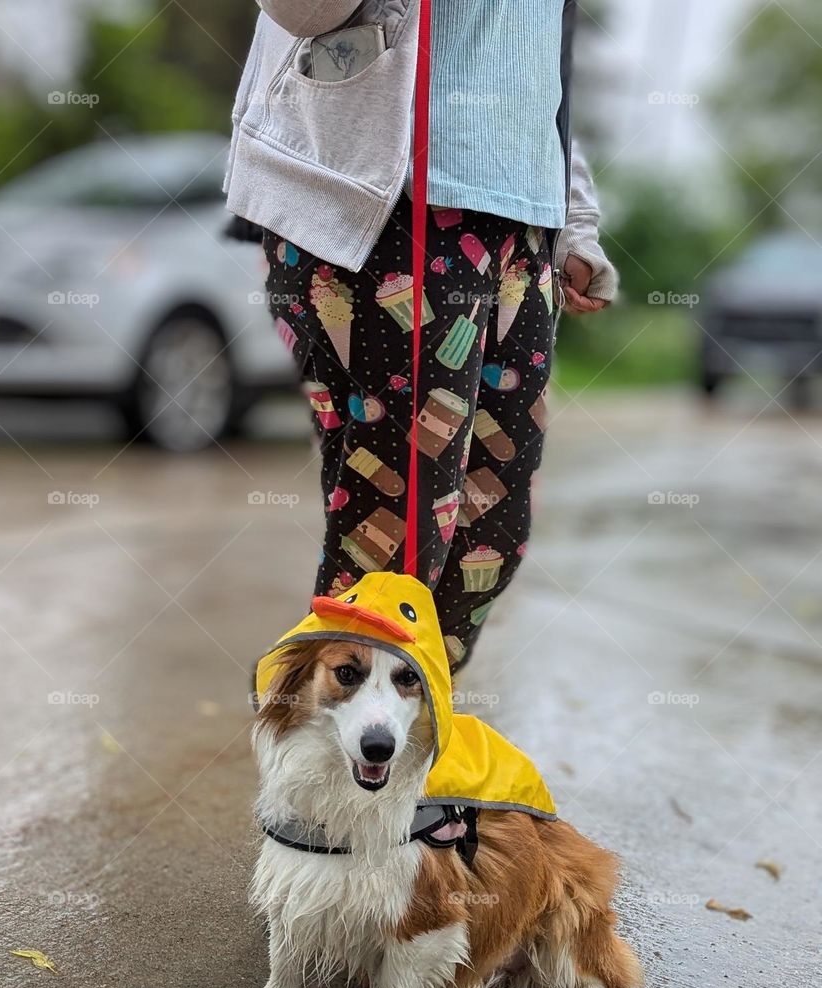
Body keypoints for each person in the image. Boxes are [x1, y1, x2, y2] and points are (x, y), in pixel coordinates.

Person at [226, 0, 617, 670]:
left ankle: (407, 727)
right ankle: (331, 749)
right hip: (380, 204)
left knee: (493, 528)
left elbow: (543, 60)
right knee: (396, 534)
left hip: (519, 218)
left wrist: (573, 217)